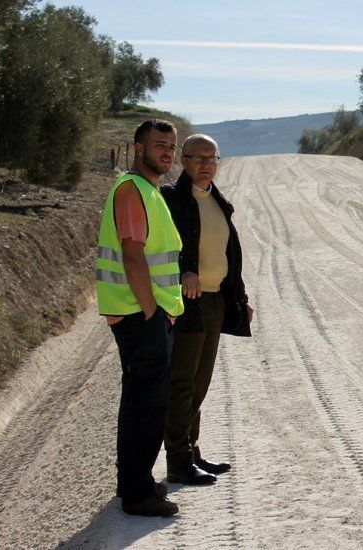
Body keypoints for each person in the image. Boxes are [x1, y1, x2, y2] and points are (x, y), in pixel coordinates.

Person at [95, 119, 183, 517]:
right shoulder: (132, 189)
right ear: (138, 147)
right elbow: (133, 255)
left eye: (171, 147)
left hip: (143, 314)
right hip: (140, 315)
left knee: (142, 402)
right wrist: (153, 311)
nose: (166, 152)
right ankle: (138, 492)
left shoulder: (147, 189)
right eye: (159, 145)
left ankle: (134, 482)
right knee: (147, 405)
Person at [160, 134, 253, 486]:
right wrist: (182, 270)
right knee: (182, 383)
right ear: (183, 160)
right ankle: (178, 462)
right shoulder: (171, 199)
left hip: (215, 300)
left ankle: (192, 451)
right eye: (198, 157)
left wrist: (241, 300)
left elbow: (229, 256)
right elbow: (162, 249)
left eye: (211, 157)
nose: (205, 164)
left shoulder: (217, 200)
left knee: (200, 382)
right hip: (187, 302)